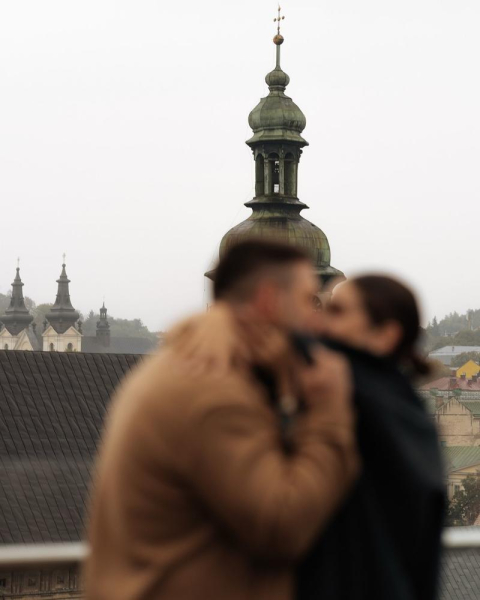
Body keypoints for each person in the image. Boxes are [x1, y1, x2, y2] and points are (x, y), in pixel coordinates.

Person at [85, 240, 359, 600]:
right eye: (309, 299)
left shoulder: (190, 359)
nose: (317, 316)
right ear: (268, 299)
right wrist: (330, 411)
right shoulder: (214, 390)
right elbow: (283, 526)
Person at [297, 274, 445, 600]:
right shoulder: (403, 403)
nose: (319, 321)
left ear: (384, 335)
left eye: (336, 311)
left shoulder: (362, 395)